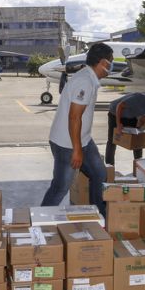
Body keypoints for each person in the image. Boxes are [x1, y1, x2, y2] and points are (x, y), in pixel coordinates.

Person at [41, 43, 114, 215]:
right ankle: (40, 220)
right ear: (102, 62)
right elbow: (74, 117)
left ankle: (98, 214)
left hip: (83, 140)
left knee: (99, 173)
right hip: (67, 144)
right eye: (110, 61)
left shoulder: (89, 78)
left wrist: (81, 145)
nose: (111, 65)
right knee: (60, 188)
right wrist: (77, 150)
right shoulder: (84, 81)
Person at [105, 93, 145, 166]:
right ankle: (109, 167)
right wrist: (118, 124)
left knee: (137, 139)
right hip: (115, 113)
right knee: (112, 140)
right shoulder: (140, 99)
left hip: (130, 115)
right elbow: (120, 106)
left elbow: (144, 117)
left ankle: (139, 165)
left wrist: (141, 122)